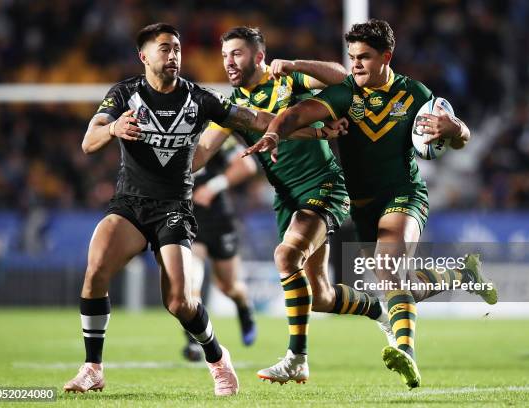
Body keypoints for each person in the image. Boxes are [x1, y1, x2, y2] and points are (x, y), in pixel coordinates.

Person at [62, 22, 343, 397]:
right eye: (164, 48)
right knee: (95, 268)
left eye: (177, 48)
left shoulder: (199, 98)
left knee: (179, 302)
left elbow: (256, 120)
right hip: (129, 202)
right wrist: (112, 130)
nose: (173, 54)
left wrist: (315, 132)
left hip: (174, 208)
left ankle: (217, 357)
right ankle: (92, 368)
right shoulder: (124, 94)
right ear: (143, 56)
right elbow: (88, 141)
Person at [244, 19, 498, 389]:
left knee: (387, 269)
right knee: (401, 283)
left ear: (386, 57)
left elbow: (460, 134)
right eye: (352, 57)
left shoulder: (414, 94)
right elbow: (298, 114)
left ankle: (406, 352)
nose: (356, 64)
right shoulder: (345, 93)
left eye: (364, 57)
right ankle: (463, 274)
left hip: (404, 194)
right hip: (362, 206)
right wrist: (273, 131)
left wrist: (454, 129)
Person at [193, 26, 399, 385]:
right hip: (287, 198)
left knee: (286, 257)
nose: (229, 61)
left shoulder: (287, 81)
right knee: (319, 296)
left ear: (258, 56)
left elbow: (343, 77)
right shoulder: (231, 108)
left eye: (237, 53)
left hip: (325, 186)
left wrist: (292, 64)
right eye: (225, 55)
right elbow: (202, 153)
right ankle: (380, 309)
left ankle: (296, 359)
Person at [183, 136, 258, 362]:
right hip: (187, 218)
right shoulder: (165, 131)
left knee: (229, 286)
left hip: (217, 219)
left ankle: (245, 308)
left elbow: (247, 165)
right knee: (191, 283)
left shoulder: (211, 135)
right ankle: (194, 342)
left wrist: (213, 187)